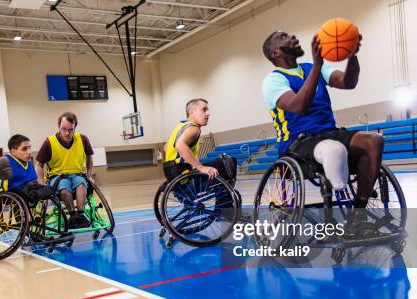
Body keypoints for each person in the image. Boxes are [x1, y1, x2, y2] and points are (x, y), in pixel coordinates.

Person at [261, 30, 383, 231]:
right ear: (274, 53)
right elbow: (299, 106)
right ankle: (341, 192)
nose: (292, 36)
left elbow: (348, 82)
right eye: (283, 37)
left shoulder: (314, 67)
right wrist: (317, 65)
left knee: (373, 140)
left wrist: (352, 55)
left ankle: (357, 216)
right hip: (296, 142)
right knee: (334, 150)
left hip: (329, 132)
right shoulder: (273, 81)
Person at [35, 112, 94, 228]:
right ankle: (72, 215)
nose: (67, 133)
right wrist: (42, 184)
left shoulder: (82, 139)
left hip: (78, 174)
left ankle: (80, 215)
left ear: (75, 127)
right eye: (64, 129)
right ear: (58, 126)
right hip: (57, 176)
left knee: (81, 184)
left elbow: (89, 158)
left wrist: (90, 175)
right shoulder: (49, 142)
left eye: (70, 130)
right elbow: (39, 165)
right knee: (64, 188)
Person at [163, 98, 237, 183]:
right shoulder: (194, 128)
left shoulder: (180, 126)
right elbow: (180, 145)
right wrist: (201, 167)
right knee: (229, 161)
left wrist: (191, 162)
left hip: (174, 176)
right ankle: (226, 195)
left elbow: (166, 147)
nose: (208, 113)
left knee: (214, 163)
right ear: (192, 113)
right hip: (186, 178)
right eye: (204, 110)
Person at [0, 134, 50, 213]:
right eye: (24, 149)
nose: (29, 152)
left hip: (29, 192)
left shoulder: (28, 162)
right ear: (13, 152)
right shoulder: (3, 161)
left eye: (29, 148)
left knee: (48, 189)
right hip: (13, 195)